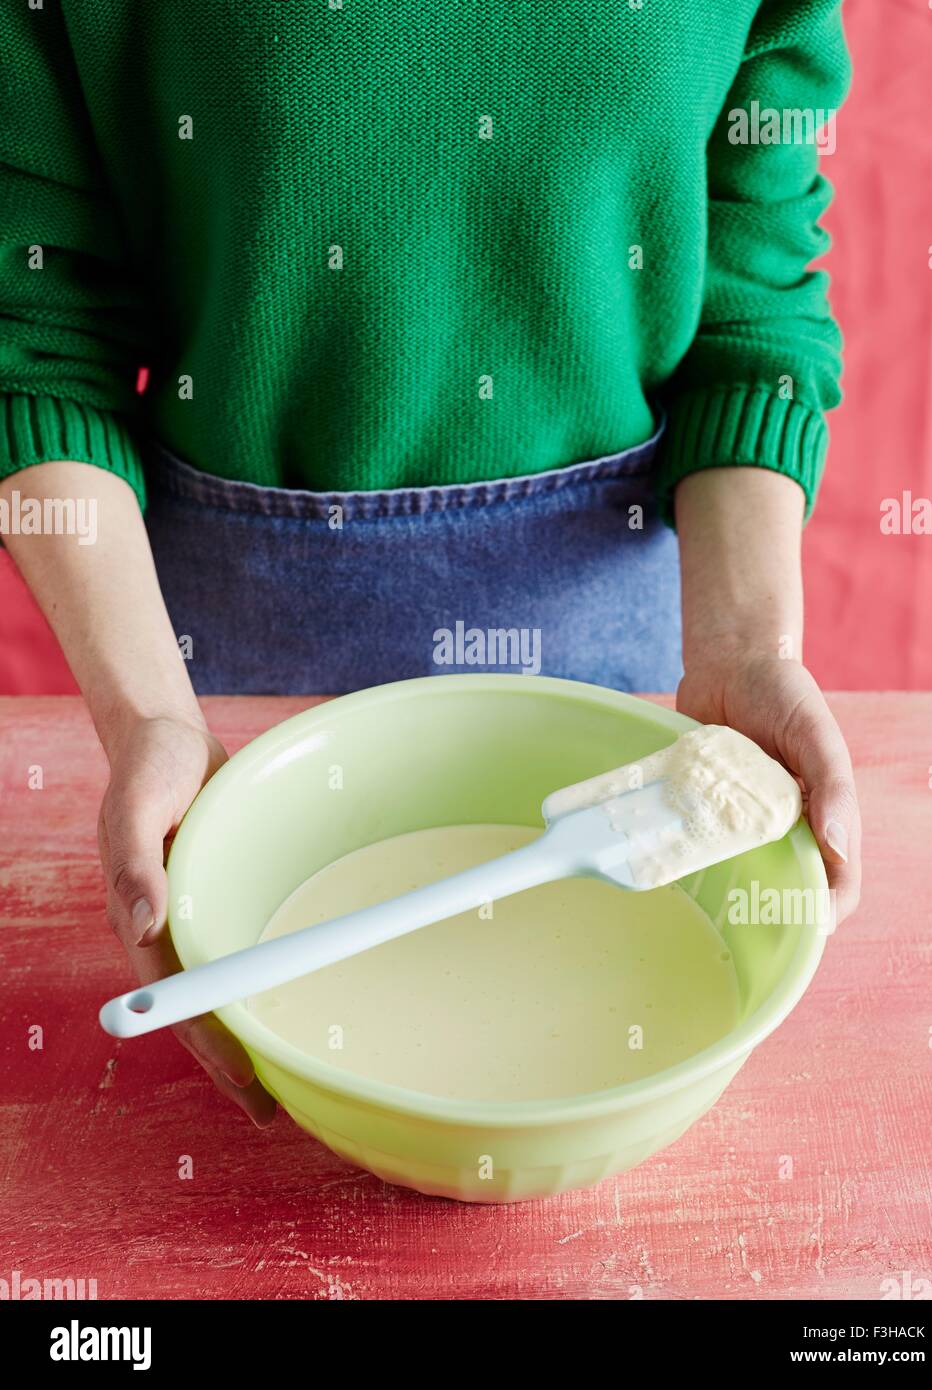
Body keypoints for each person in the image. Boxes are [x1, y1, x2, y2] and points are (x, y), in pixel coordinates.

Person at [0, 1, 861, 1126]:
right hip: (211, 665)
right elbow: (36, 328)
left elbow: (753, 302)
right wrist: (149, 718)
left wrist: (749, 647)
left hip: (630, 635)